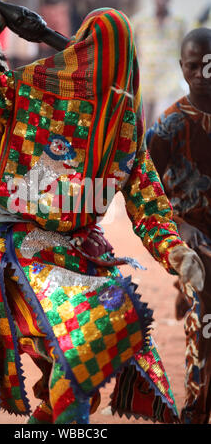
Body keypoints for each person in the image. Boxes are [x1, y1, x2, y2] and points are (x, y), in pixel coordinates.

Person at [0, 0, 205, 424]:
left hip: (77, 250)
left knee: (89, 368)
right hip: (17, 243)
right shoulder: (31, 90)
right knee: (85, 350)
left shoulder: (124, 124)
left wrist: (176, 252)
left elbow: (149, 205)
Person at [147, 28, 211, 424]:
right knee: (205, 321)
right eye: (193, 66)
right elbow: (145, 192)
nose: (202, 73)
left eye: (208, 64)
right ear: (182, 69)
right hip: (194, 238)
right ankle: (196, 409)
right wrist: (176, 227)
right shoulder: (167, 127)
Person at [133, 0, 186, 128]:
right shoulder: (140, 20)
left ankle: (156, 149)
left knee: (161, 119)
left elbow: (185, 47)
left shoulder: (179, 21)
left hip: (168, 78)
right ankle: (142, 150)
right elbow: (130, 42)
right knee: (141, 120)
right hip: (146, 77)